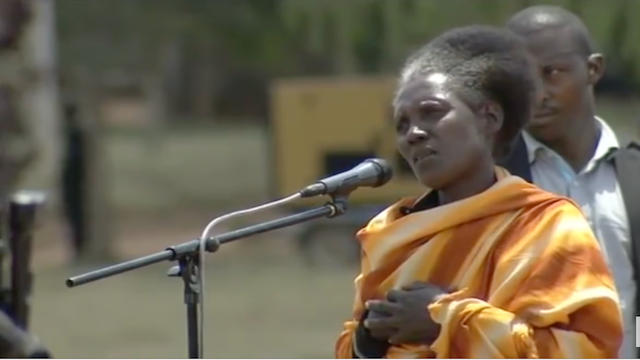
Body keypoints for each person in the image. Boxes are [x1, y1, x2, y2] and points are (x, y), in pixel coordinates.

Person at [334, 25, 622, 359]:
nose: (413, 133)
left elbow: (588, 351)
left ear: (489, 118)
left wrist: (445, 321)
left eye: (432, 112)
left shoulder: (548, 225)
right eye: (402, 124)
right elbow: (351, 349)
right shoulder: (389, 233)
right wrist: (368, 339)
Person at [500, 6, 640, 358]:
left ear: (594, 69)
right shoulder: (490, 181)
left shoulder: (634, 175)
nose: (538, 94)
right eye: (524, 80)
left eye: (552, 73)